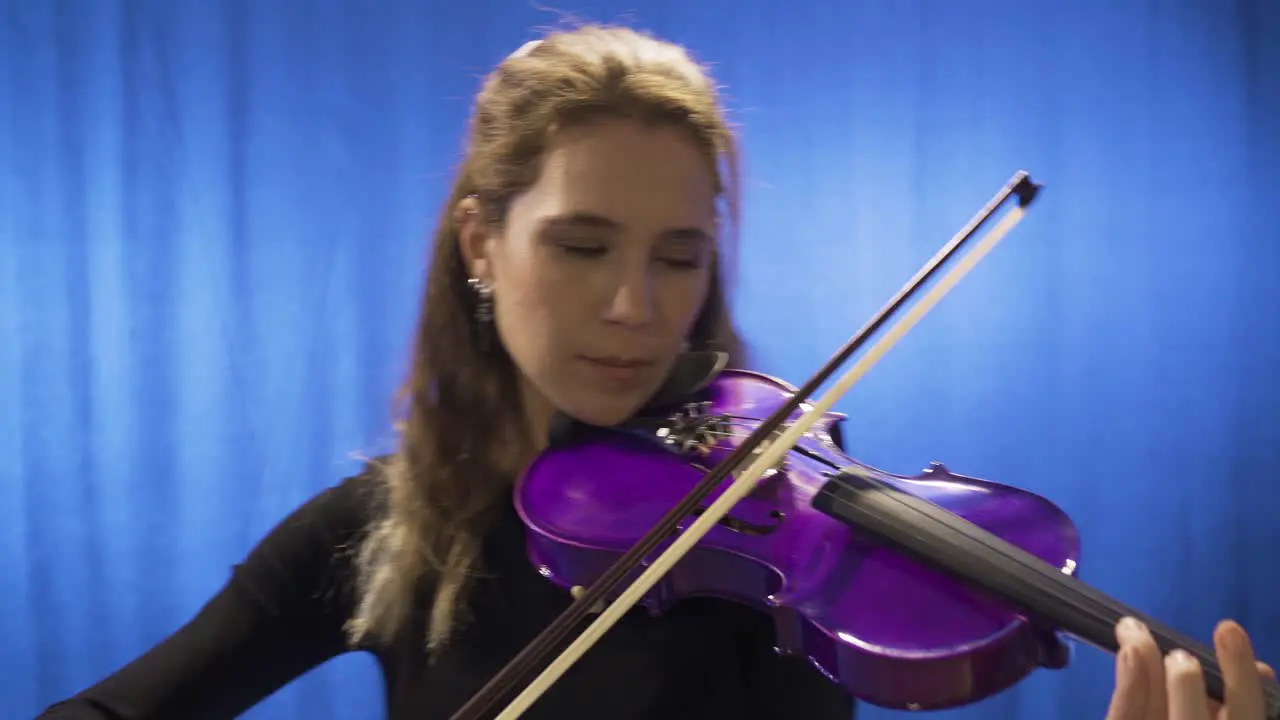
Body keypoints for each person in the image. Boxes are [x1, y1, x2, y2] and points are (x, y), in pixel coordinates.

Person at [36, 23, 1270, 720]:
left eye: (677, 256)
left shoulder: (788, 513)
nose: (636, 308)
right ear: (481, 242)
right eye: (581, 246)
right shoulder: (377, 534)